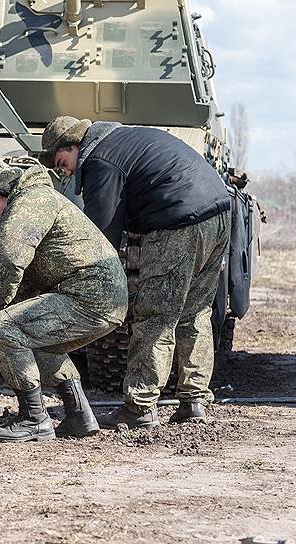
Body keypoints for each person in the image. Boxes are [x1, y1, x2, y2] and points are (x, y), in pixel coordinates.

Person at [41, 116, 232, 428]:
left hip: (177, 221)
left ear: (75, 146)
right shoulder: (127, 140)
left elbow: (101, 235)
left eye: (62, 162)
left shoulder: (99, 160)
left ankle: (140, 406)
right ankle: (193, 399)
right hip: (218, 213)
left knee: (156, 315)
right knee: (195, 311)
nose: (66, 171)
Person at [0, 158, 128, 442]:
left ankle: (34, 418)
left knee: (6, 328)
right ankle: (79, 416)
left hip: (89, 296)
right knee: (36, 340)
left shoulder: (29, 204)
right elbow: (23, 287)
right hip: (98, 298)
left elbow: (8, 259)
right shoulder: (35, 201)